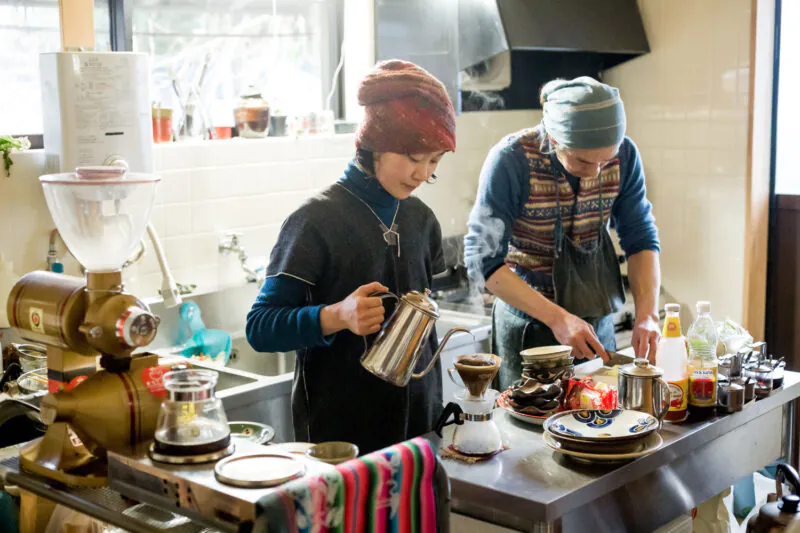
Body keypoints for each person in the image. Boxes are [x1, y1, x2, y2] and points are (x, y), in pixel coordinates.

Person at [246, 60, 455, 454]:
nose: (421, 174)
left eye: (435, 162)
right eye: (413, 157)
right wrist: (336, 316)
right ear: (374, 142)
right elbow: (260, 327)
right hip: (342, 442)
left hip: (421, 435)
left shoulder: (422, 220)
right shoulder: (315, 221)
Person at [464, 77, 661, 390]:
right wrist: (556, 318)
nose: (597, 171)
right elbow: (482, 261)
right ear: (554, 138)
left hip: (597, 326)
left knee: (601, 420)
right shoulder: (512, 160)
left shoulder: (626, 156)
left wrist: (647, 315)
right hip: (530, 329)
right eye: (583, 160)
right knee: (531, 431)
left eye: (606, 160)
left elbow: (641, 240)